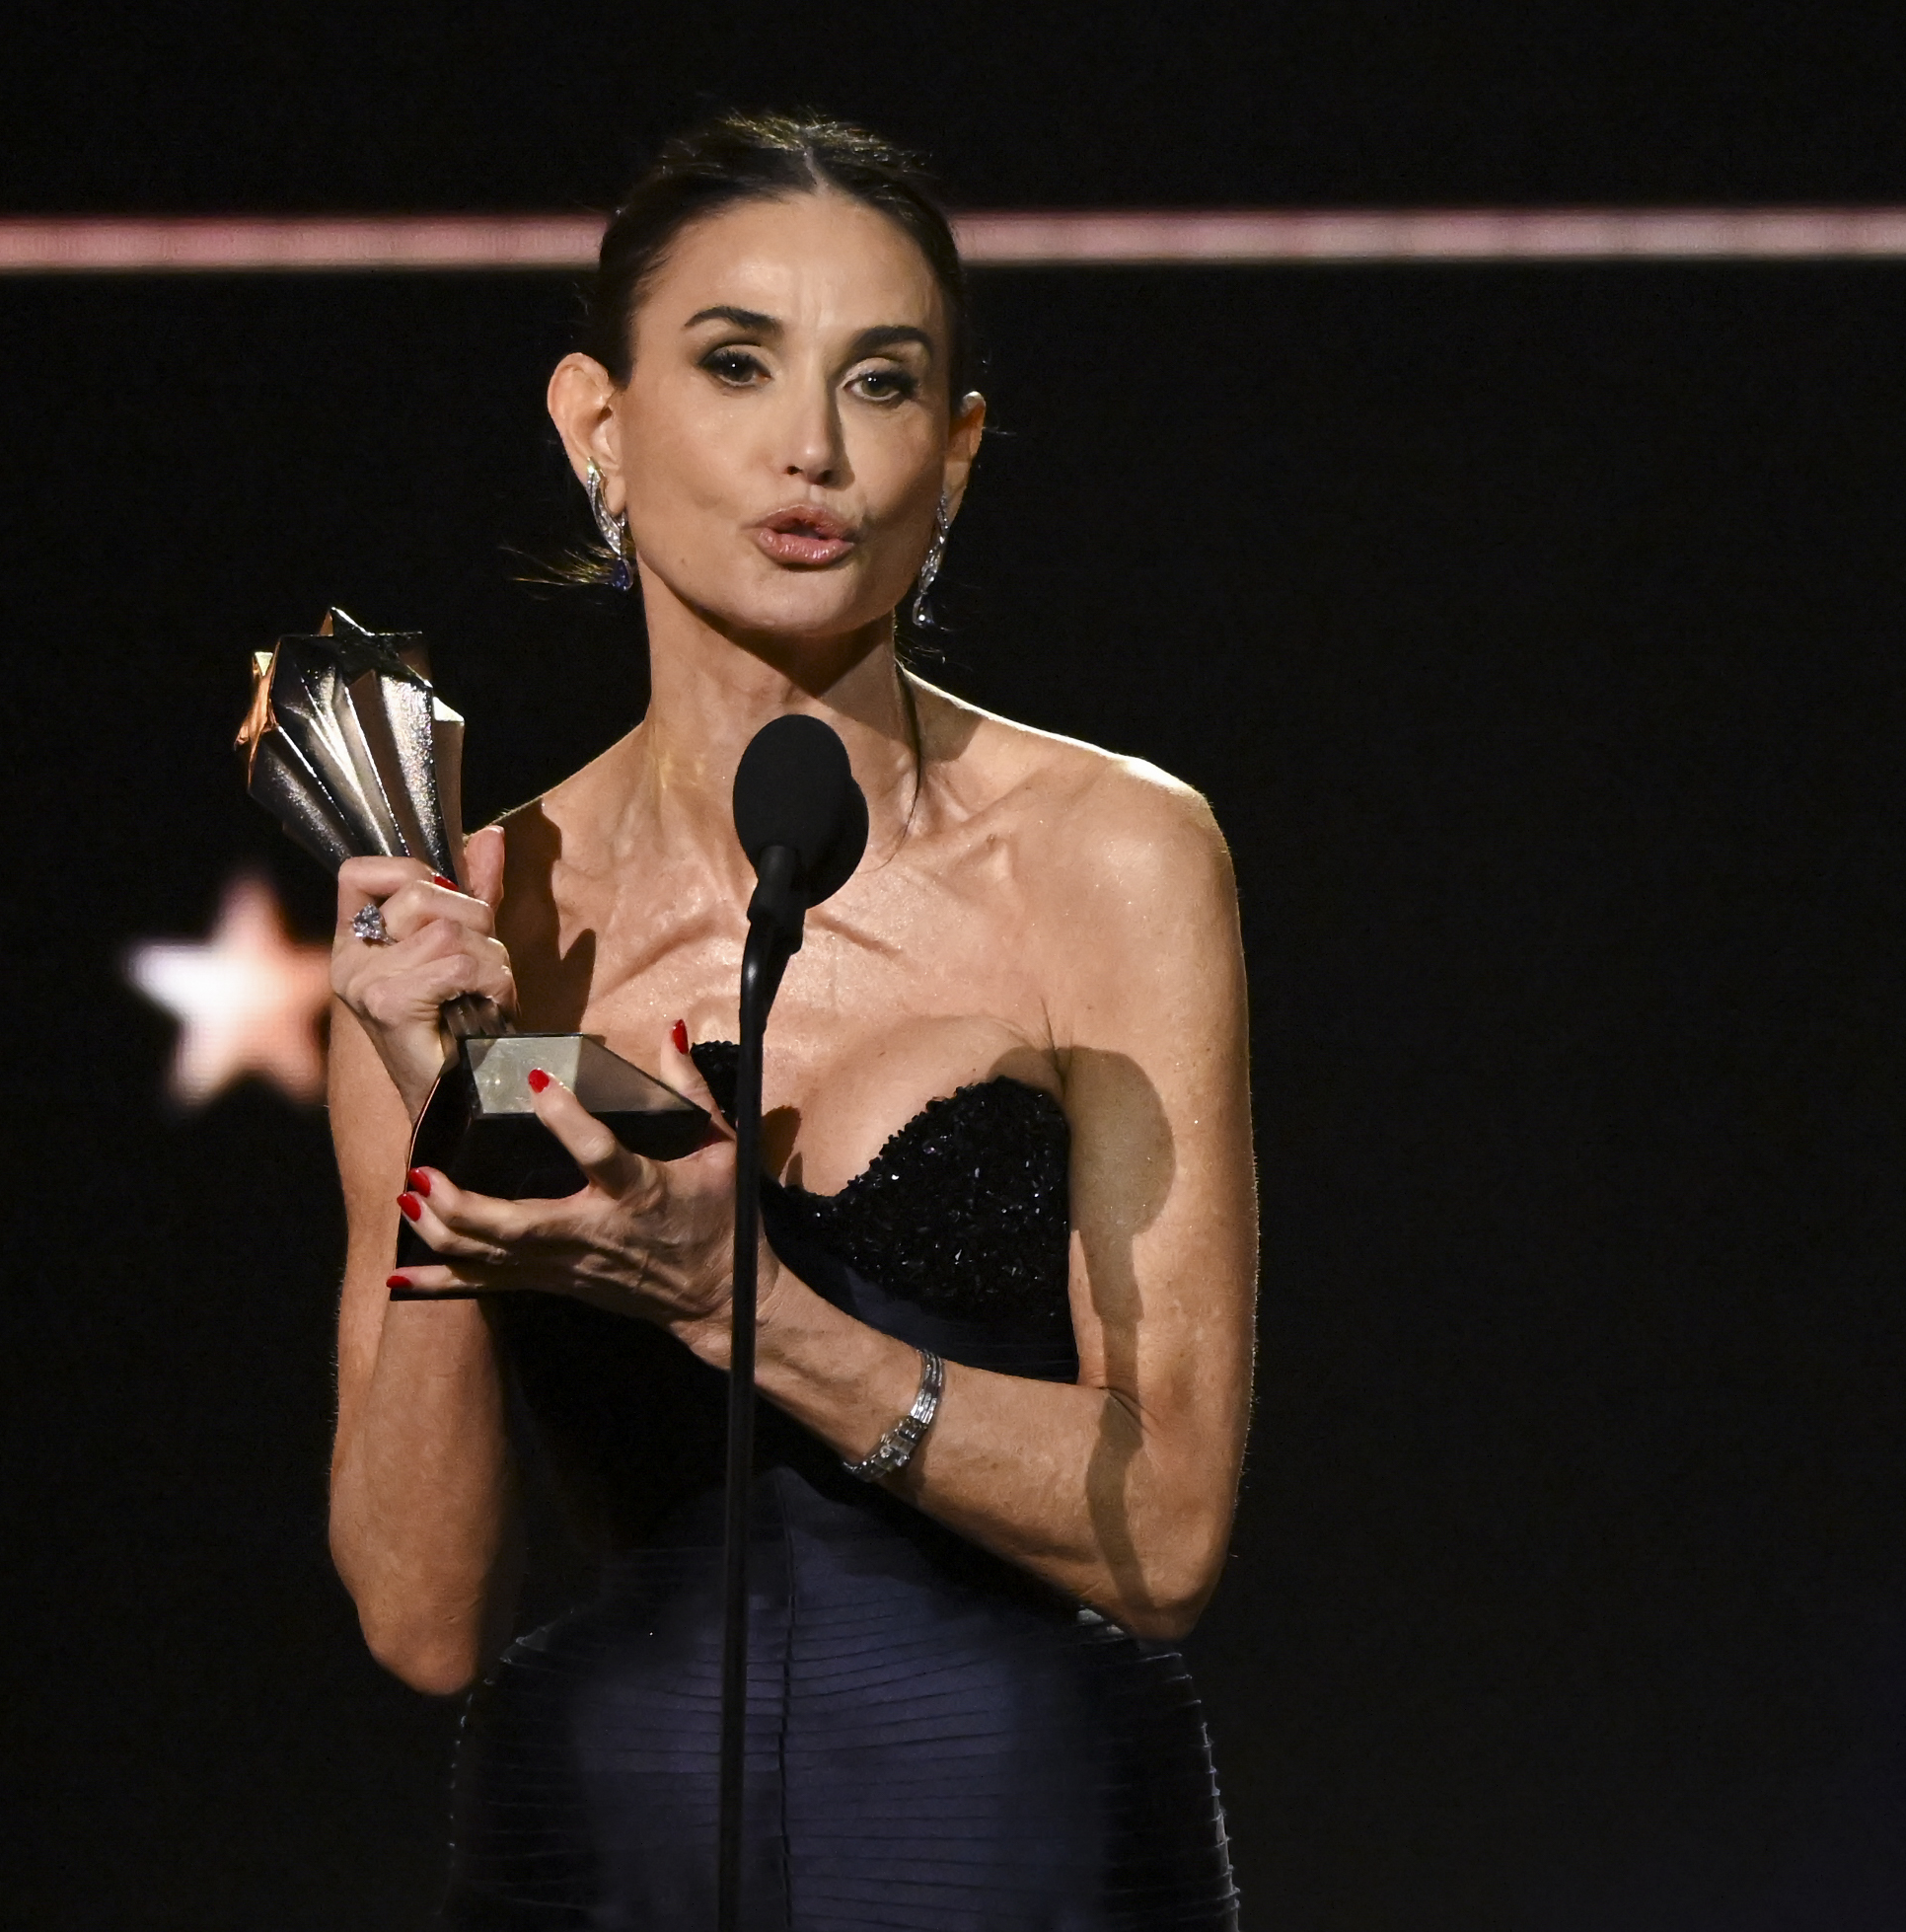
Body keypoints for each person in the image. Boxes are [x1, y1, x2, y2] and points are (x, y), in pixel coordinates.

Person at [322, 111, 1257, 1930]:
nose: (812, 449)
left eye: (883, 383)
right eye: (736, 364)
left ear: (958, 453)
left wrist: (734, 1305)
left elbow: (1174, 1530)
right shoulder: (471, 909)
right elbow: (422, 1616)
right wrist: (441, 1100)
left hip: (1026, 1854)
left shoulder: (1113, 856)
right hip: (601, 1858)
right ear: (600, 422)